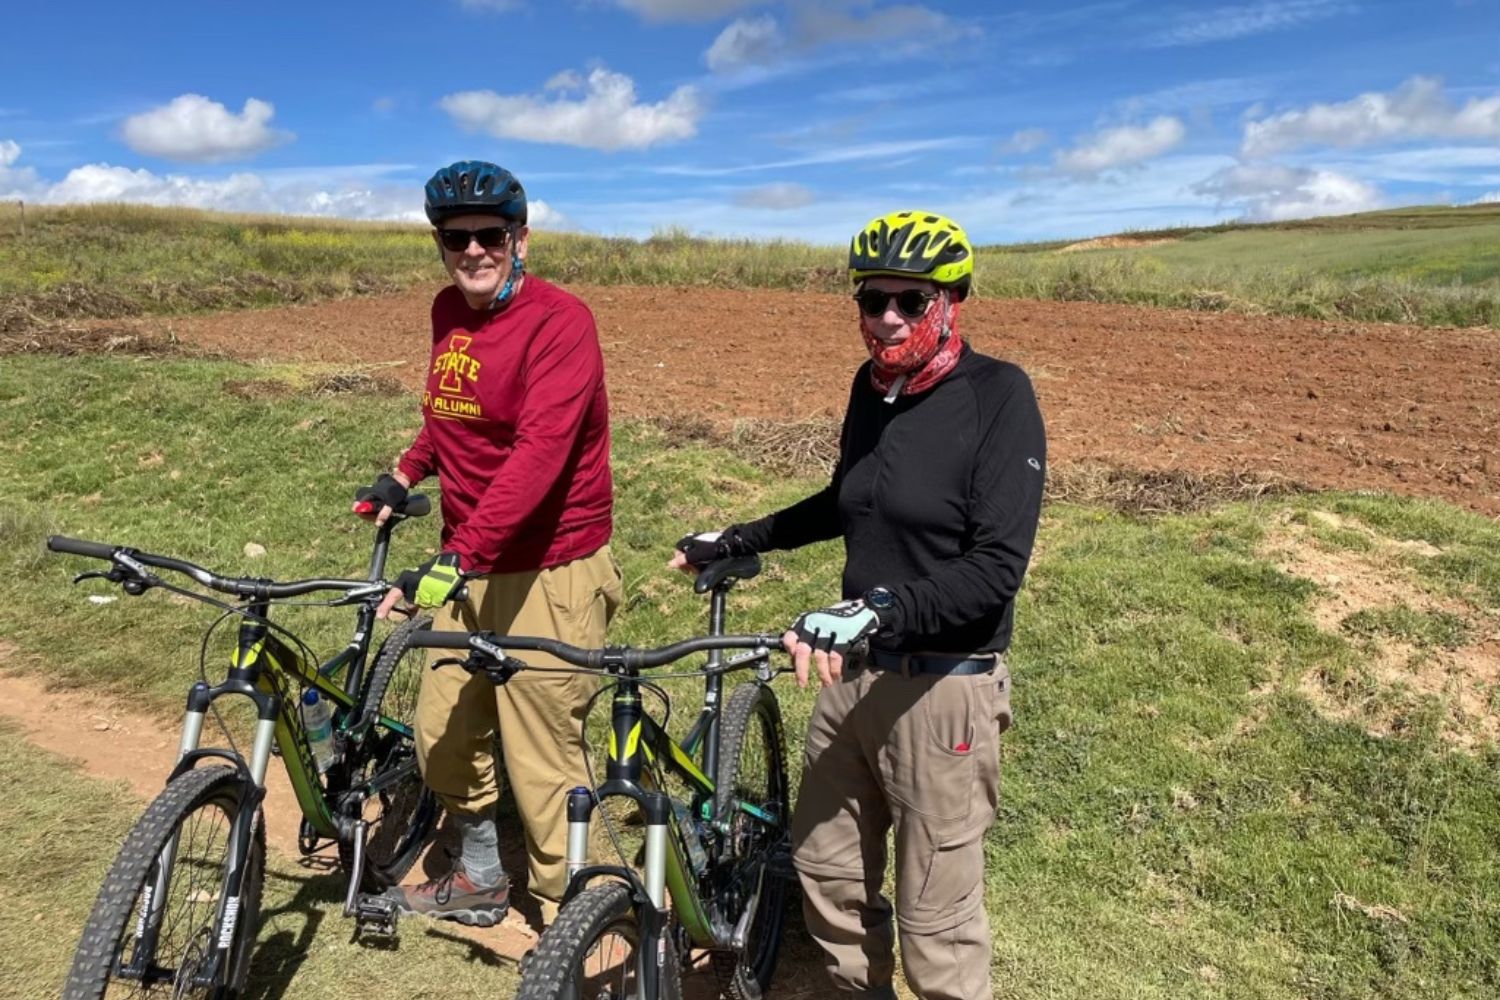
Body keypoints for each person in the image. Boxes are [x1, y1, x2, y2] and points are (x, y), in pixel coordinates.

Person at [671, 210, 1046, 1000]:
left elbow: (996, 569)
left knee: (935, 920)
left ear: (952, 301)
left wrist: (876, 607)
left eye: (910, 302)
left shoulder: (999, 395)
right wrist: (741, 539)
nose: (887, 319)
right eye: (872, 300)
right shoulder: (872, 391)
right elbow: (849, 500)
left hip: (945, 687)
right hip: (853, 676)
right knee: (827, 869)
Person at [360, 160, 622, 928]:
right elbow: (453, 413)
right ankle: (478, 877)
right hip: (468, 557)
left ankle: (576, 921)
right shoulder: (449, 310)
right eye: (455, 238)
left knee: (543, 761)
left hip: (551, 565)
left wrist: (458, 555)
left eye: (489, 236)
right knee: (441, 730)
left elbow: (540, 454)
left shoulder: (561, 322)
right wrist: (406, 471)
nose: (472, 251)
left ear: (521, 238)